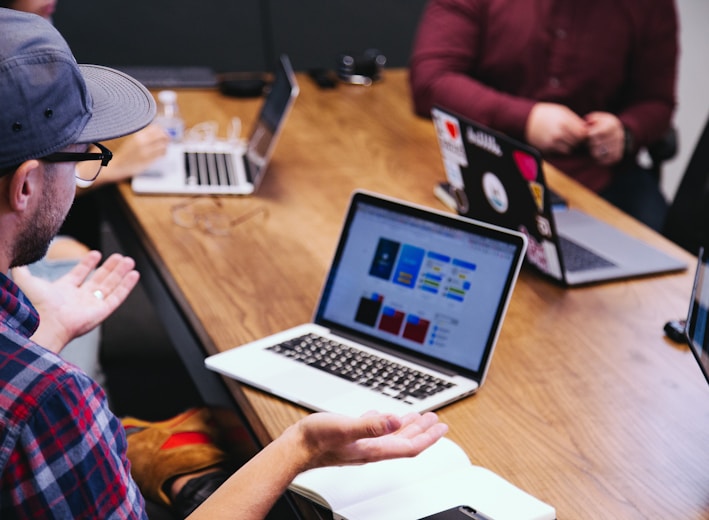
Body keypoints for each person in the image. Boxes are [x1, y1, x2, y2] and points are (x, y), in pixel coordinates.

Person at [0, 9, 448, 519]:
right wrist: (300, 447)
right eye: (82, 157)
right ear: (27, 185)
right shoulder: (52, 405)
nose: (82, 173)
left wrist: (45, 338)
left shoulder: (34, 384)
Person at [409, 0, 679, 231]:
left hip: (597, 182)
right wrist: (526, 119)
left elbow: (657, 102)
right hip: (482, 157)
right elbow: (432, 79)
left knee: (667, 272)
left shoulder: (651, 7)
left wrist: (626, 131)